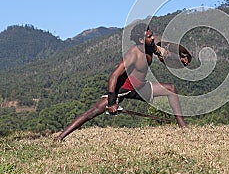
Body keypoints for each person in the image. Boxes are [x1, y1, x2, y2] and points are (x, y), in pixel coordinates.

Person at [56, 24, 188, 141]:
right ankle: (60, 138)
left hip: (141, 87)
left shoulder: (151, 47)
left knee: (171, 89)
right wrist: (112, 103)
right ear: (141, 40)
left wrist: (180, 59)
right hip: (123, 89)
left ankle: (183, 127)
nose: (153, 38)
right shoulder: (133, 54)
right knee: (93, 112)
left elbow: (166, 55)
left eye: (152, 35)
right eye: (149, 36)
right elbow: (113, 76)